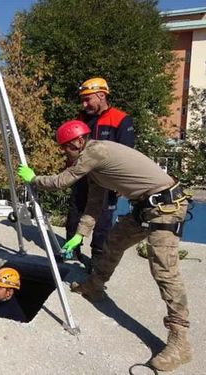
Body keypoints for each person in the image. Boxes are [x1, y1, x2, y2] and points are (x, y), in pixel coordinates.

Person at [17, 120, 192, 372]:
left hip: (165, 207)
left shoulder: (95, 151)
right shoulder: (96, 169)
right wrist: (79, 235)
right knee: (113, 242)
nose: (64, 152)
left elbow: (61, 181)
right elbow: (93, 206)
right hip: (146, 208)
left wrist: (34, 179)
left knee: (165, 270)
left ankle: (179, 340)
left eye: (66, 147)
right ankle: (94, 286)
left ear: (78, 141)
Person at [65, 77, 135, 266]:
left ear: (102, 95)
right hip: (83, 176)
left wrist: (122, 182)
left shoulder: (120, 119)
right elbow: (72, 147)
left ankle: (97, 256)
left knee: (103, 218)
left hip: (107, 180)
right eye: (82, 99)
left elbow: (127, 153)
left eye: (88, 99)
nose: (84, 103)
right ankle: (70, 251)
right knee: (75, 212)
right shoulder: (81, 119)